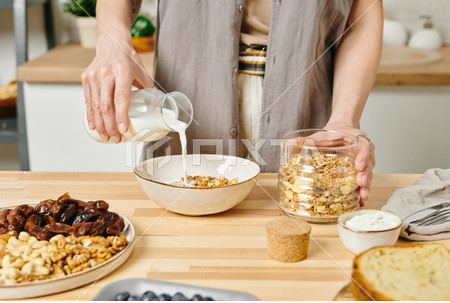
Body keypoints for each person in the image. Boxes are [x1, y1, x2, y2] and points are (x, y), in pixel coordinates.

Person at [81, 0, 382, 205]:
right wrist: (112, 40)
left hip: (304, 106)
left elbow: (363, 12)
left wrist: (343, 118)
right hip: (189, 99)